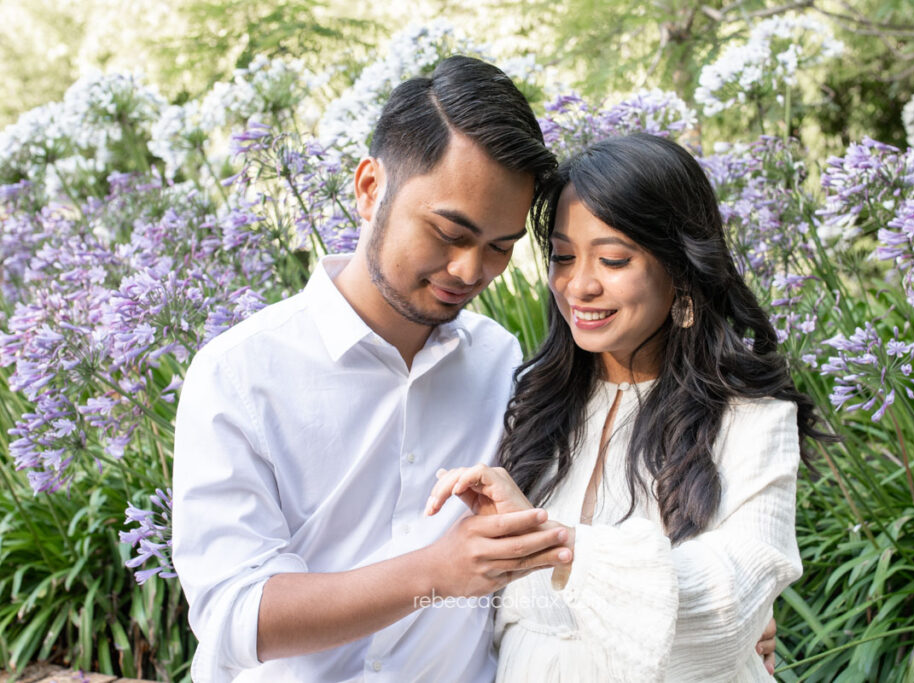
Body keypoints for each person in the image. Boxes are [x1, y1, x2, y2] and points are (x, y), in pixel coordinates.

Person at [171, 56, 573, 682]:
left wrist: (715, 621)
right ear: (368, 189)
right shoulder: (238, 375)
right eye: (448, 233)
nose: (471, 272)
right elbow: (235, 616)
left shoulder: (500, 362)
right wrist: (436, 572)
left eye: (500, 248)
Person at [427, 133, 827, 681]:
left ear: (681, 271)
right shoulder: (532, 404)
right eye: (564, 257)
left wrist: (561, 548)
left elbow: (737, 590)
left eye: (613, 259)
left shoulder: (751, 416)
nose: (579, 285)